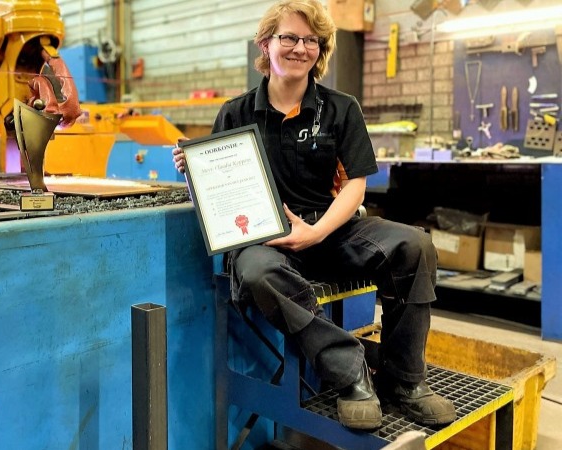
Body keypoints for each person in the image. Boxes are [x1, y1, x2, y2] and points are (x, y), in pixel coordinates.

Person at [172, 0, 456, 431]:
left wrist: (317, 231)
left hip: (331, 228)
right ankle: (349, 371)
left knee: (414, 245)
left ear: (319, 50)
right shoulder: (235, 113)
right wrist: (195, 171)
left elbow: (356, 184)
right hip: (267, 241)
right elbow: (219, 194)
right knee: (255, 272)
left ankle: (403, 380)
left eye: (310, 40)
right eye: (289, 37)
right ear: (266, 44)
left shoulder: (342, 109)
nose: (300, 48)